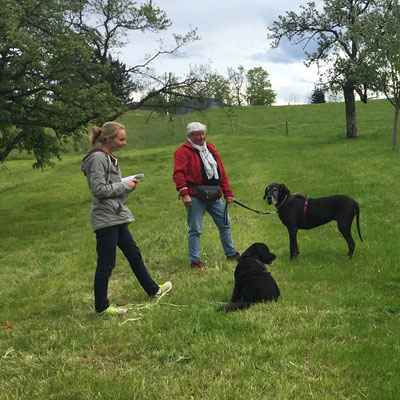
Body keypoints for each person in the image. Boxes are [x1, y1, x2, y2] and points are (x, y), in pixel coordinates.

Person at [81, 121, 172, 316]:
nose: (124, 143)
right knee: (106, 263)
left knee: (133, 253)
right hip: (106, 218)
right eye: (121, 139)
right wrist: (125, 185)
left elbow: (107, 187)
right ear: (108, 139)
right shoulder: (97, 159)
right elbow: (98, 190)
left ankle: (154, 290)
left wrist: (124, 184)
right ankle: (102, 307)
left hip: (115, 215)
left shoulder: (108, 158)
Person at [173, 122, 240, 270]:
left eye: (203, 133)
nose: (201, 137)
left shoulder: (210, 148)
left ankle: (230, 253)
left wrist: (228, 193)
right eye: (197, 134)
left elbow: (221, 171)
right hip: (195, 196)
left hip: (215, 195)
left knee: (225, 224)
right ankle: (195, 261)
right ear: (190, 136)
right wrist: (184, 194)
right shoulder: (183, 151)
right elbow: (179, 174)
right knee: (195, 229)